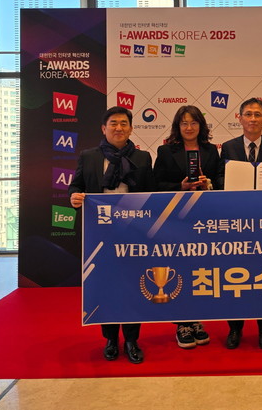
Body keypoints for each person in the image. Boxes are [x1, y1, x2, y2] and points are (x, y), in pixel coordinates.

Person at [69, 106, 154, 364]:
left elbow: (151, 194)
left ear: (131, 128)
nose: (119, 128)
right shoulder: (89, 156)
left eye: (124, 123)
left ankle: (131, 339)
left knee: (132, 285)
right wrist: (74, 196)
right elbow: (76, 185)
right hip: (99, 232)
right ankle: (110, 338)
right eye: (113, 123)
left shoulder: (142, 158)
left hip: (133, 232)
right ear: (103, 128)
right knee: (105, 286)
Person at [217, 97, 262, 349]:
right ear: (240, 118)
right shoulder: (229, 147)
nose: (253, 119)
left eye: (258, 114)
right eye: (248, 114)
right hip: (235, 223)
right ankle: (235, 328)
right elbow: (220, 179)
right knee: (235, 276)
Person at [153, 105, 218, 349]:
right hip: (175, 219)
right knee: (179, 269)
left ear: (201, 125)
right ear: (177, 126)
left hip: (204, 218)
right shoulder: (166, 151)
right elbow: (156, 184)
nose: (189, 127)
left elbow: (221, 182)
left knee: (199, 270)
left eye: (193, 122)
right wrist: (180, 187)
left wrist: (208, 183)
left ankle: (197, 320)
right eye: (184, 123)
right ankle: (182, 324)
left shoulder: (211, 151)